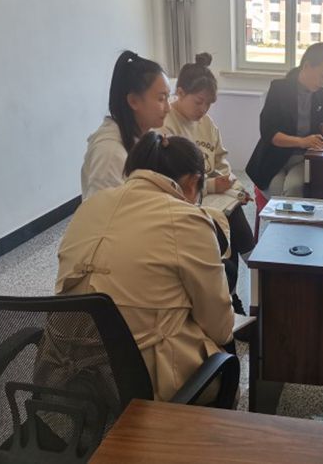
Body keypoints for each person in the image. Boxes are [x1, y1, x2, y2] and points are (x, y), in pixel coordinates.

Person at [55, 132, 235, 403]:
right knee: (225, 352)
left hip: (66, 377)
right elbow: (219, 327)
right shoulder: (187, 219)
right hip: (143, 387)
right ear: (193, 182)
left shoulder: (89, 207)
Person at [164, 52, 255, 311]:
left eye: (208, 104)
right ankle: (233, 298)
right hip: (186, 202)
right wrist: (213, 186)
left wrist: (234, 187)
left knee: (235, 215)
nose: (203, 109)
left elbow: (220, 160)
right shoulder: (167, 126)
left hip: (213, 196)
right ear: (180, 93)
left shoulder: (206, 123)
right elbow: (170, 183)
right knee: (226, 233)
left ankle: (251, 282)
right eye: (198, 102)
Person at [245, 42, 323, 197]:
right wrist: (301, 141)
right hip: (274, 157)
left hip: (302, 158)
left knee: (294, 188)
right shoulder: (279, 89)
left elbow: (317, 121)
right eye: (322, 75)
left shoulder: (321, 94)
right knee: (276, 192)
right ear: (306, 66)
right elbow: (269, 133)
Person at [81, 50, 169, 200]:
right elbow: (104, 212)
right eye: (161, 99)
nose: (168, 108)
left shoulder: (143, 136)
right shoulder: (110, 153)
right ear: (133, 101)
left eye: (168, 97)